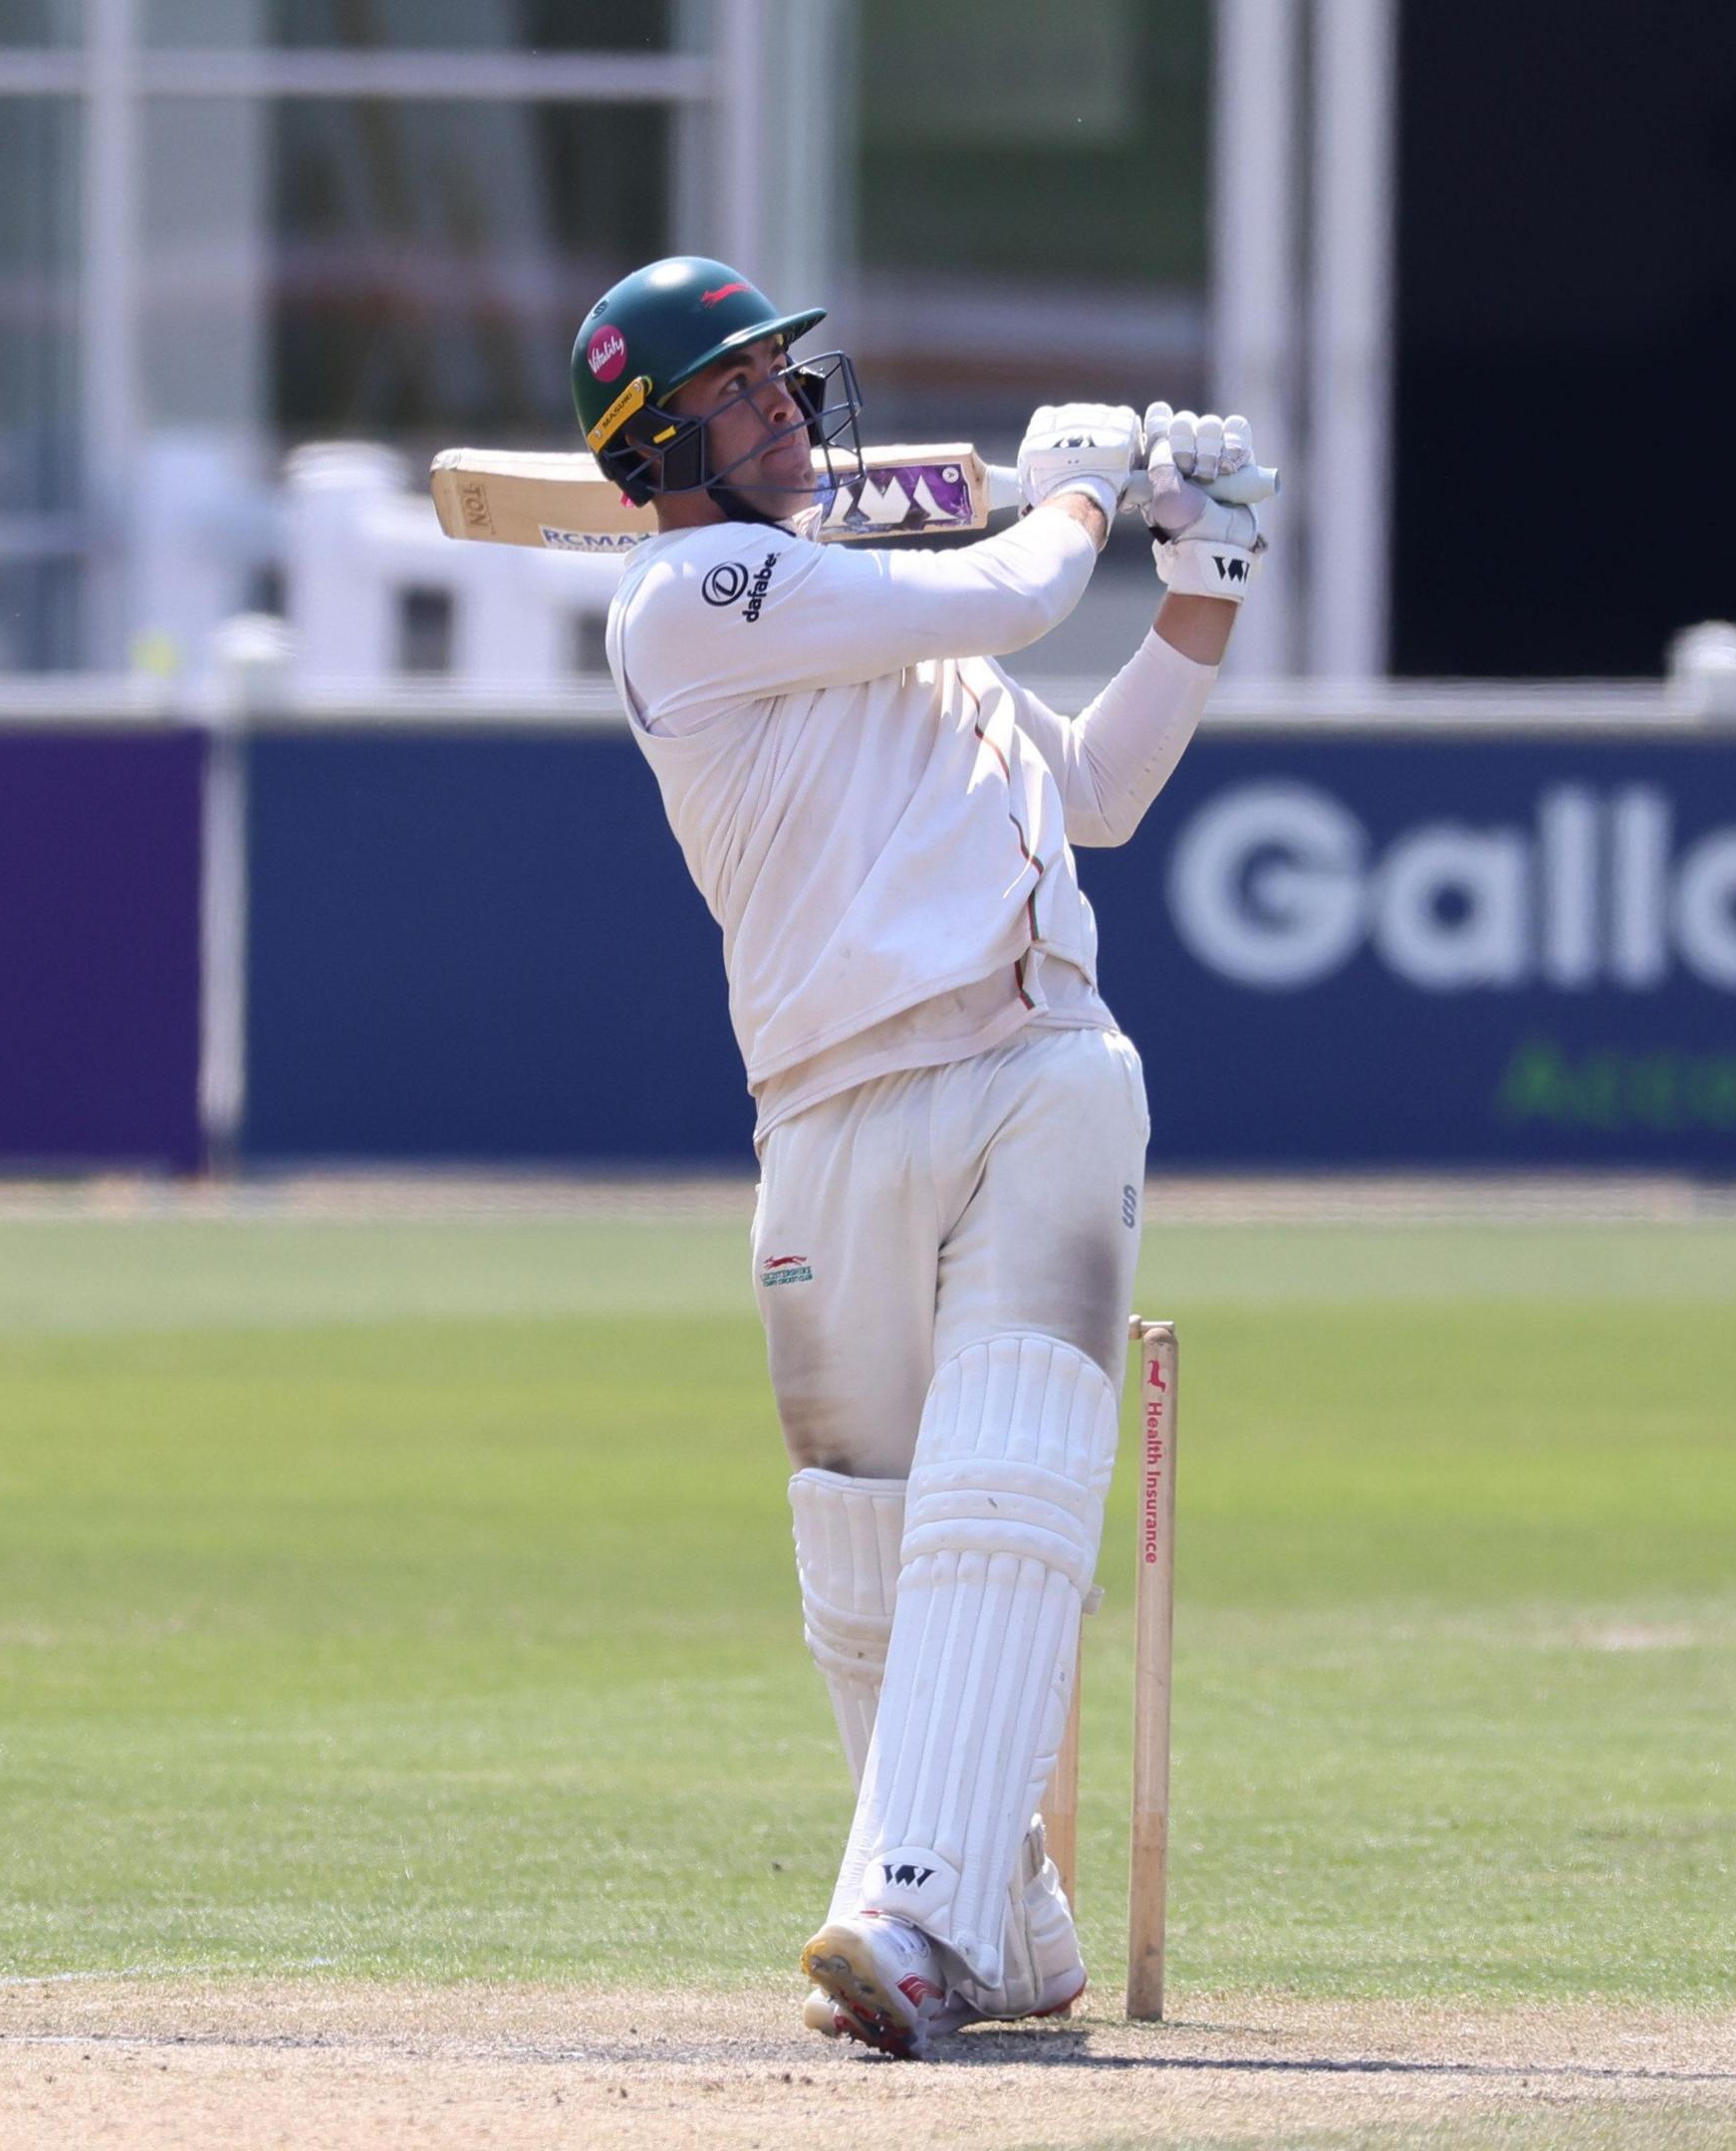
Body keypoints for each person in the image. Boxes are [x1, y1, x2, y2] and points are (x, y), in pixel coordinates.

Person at [569, 255, 1268, 2056]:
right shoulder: (687, 599)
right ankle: (1006, 1924)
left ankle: (906, 1914)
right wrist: (1086, 490)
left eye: (788, 382)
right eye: (744, 393)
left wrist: (1202, 591)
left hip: (1037, 1062)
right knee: (863, 1542)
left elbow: (1094, 792)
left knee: (1005, 1481)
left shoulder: (901, 646)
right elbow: (1028, 586)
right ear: (661, 448)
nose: (791, 411)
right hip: (818, 1112)